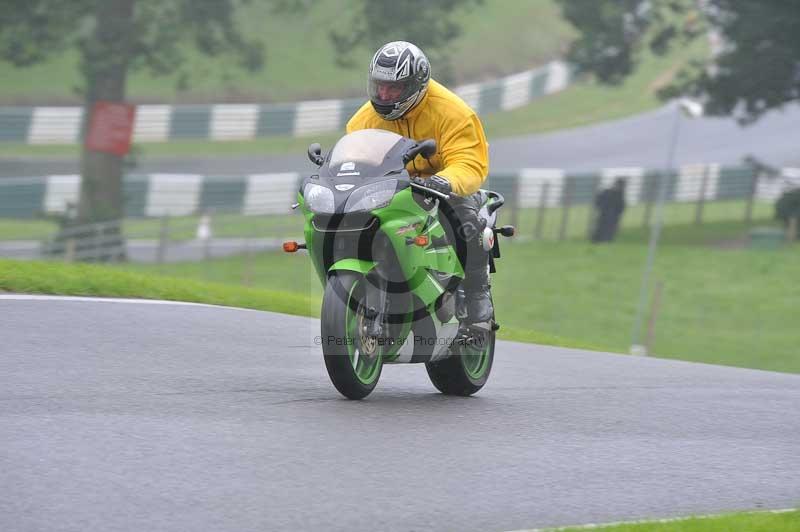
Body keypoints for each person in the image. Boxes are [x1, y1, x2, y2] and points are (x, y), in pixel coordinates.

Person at [346, 41, 493, 326]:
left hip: (443, 186)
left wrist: (445, 181)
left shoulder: (454, 113)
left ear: (416, 84)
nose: (385, 94)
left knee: (464, 220)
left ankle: (477, 290)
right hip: (390, 188)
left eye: (394, 88)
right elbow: (352, 161)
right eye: (379, 86)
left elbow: (470, 162)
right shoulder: (362, 120)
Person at [591, 178, 627, 243]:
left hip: (611, 216)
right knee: (601, 229)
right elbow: (598, 201)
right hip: (605, 214)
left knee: (607, 230)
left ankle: (603, 241)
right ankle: (598, 240)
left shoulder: (619, 194)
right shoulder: (608, 192)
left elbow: (621, 207)